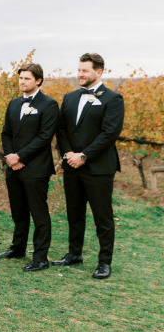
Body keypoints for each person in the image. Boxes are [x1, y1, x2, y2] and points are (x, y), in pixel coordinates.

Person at [54, 53, 124, 279]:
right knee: (74, 213)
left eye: (85, 70)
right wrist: (67, 154)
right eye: (79, 70)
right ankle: (74, 254)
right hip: (72, 166)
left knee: (102, 216)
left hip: (99, 168)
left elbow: (109, 133)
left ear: (99, 72)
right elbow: (62, 129)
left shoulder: (113, 99)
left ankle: (104, 262)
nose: (80, 74)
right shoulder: (70, 97)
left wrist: (84, 155)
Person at [0, 63, 59, 271]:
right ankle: (17, 248)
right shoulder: (13, 103)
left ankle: (40, 258)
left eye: (27, 79)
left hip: (36, 168)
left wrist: (20, 156)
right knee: (18, 211)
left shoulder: (49, 104)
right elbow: (6, 133)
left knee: (39, 213)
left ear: (38, 80)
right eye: (20, 78)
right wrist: (10, 157)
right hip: (13, 167)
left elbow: (44, 137)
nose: (22, 82)